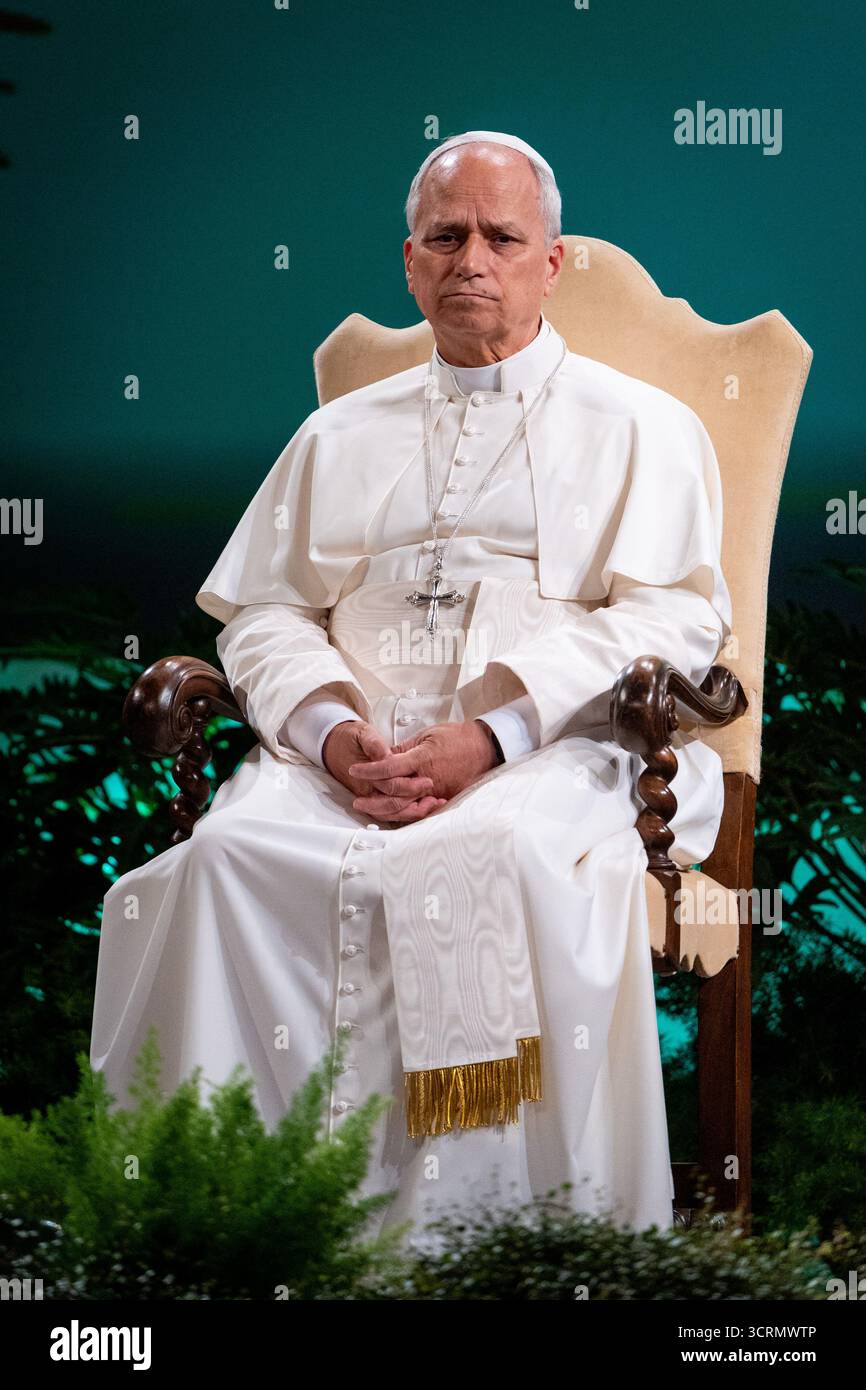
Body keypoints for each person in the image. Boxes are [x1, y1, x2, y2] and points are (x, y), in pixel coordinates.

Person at [90, 130, 733, 1247]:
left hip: (554, 746)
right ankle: (230, 1222)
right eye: (445, 236)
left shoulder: (643, 428)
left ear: (551, 260)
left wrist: (491, 733)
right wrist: (336, 735)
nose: (469, 259)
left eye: (499, 236)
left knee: (501, 861)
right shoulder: (335, 434)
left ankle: (491, 1242)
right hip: (353, 755)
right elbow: (269, 613)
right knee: (220, 863)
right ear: (407, 262)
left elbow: (674, 617)